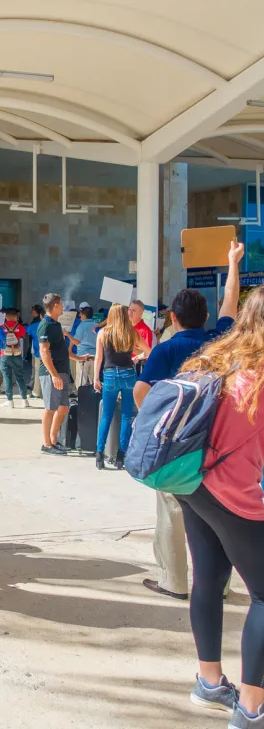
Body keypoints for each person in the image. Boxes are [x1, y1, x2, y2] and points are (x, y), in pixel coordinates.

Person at [174, 285, 264, 727]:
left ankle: (210, 682)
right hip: (235, 493)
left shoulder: (214, 359)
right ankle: (251, 709)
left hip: (192, 483)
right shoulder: (260, 375)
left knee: (207, 578)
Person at [134, 240, 243, 601]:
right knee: (218, 515)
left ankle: (173, 581)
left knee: (172, 511)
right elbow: (231, 301)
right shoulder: (220, 340)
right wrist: (232, 262)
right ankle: (219, 584)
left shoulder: (165, 350)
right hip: (218, 444)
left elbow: (140, 392)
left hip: (178, 446)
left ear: (173, 318)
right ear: (206, 317)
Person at [93, 304, 150, 470]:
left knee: (106, 416)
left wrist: (96, 377)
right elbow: (148, 351)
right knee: (126, 416)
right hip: (128, 375)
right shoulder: (131, 332)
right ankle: (120, 456)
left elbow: (98, 358)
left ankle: (99, 455)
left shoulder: (103, 333)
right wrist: (137, 358)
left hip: (109, 375)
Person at [38, 293, 89, 455]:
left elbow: (61, 350)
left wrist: (78, 358)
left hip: (62, 372)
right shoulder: (45, 325)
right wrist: (54, 375)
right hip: (51, 373)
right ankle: (46, 444)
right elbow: (44, 352)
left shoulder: (56, 325)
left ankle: (54, 440)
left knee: (64, 407)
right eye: (61, 304)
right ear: (54, 306)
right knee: (50, 408)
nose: (63, 308)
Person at [0, 307, 30, 409]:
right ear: (16, 317)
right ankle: (24, 399)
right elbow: (25, 336)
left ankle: (10, 401)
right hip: (17, 354)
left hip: (5, 355)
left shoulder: (1, 327)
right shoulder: (20, 327)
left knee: (7, 377)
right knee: (20, 377)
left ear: (6, 317)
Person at [70, 305, 99, 386]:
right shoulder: (97, 325)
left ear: (83, 315)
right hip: (95, 356)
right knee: (93, 381)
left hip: (82, 356)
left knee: (81, 380)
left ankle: (81, 398)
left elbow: (77, 342)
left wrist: (67, 335)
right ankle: (94, 398)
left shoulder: (82, 326)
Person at [27, 304, 43, 399]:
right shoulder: (52, 324)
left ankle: (36, 392)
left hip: (38, 352)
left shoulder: (35, 325)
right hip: (49, 352)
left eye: (33, 311)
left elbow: (26, 332)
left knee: (37, 371)